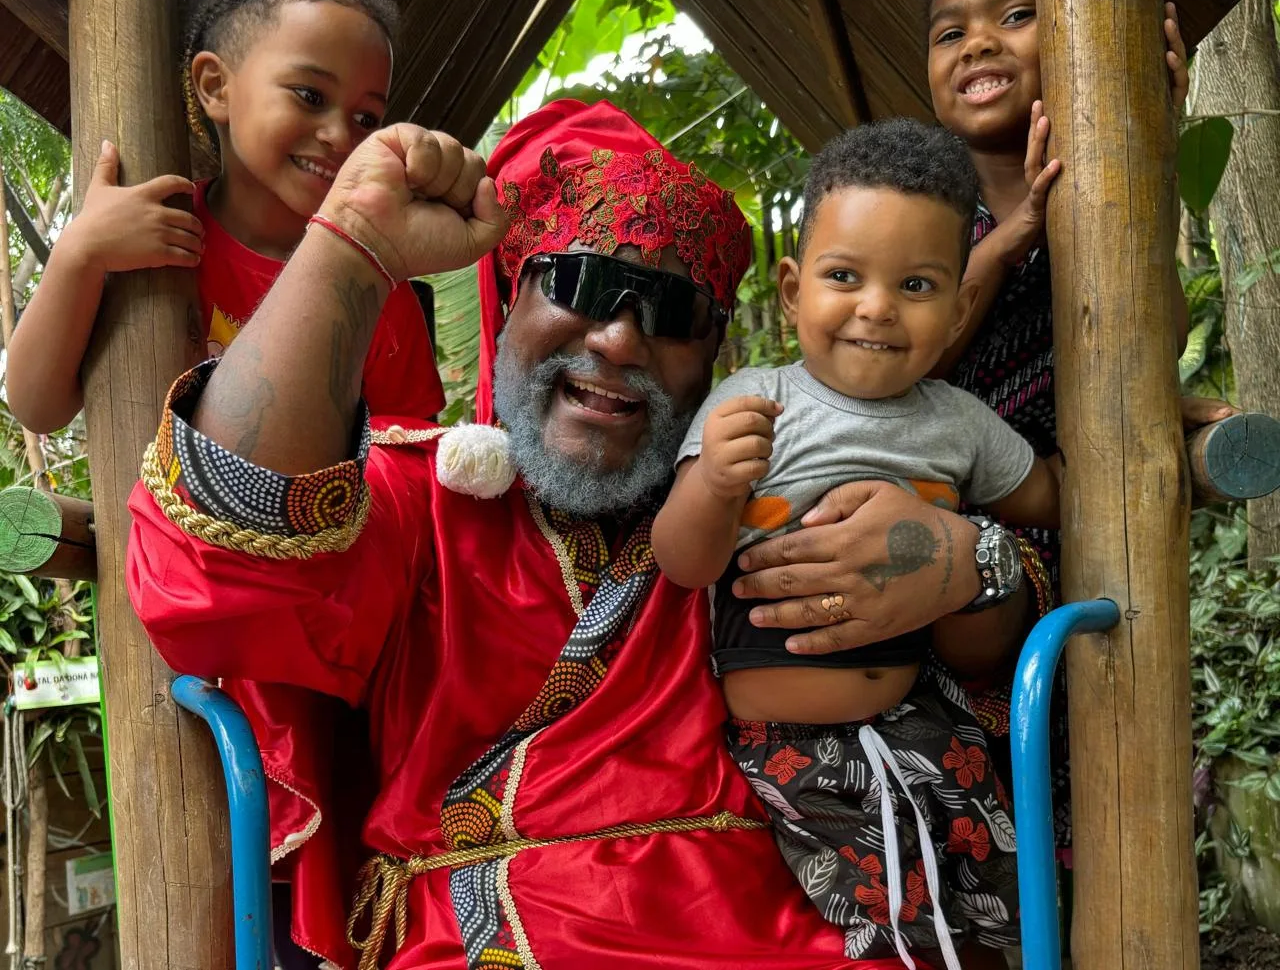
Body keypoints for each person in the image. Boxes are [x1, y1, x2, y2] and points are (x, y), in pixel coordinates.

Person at [127, 98, 1052, 970]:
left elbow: (987, 646)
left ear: (714, 358)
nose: (617, 339)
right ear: (508, 300)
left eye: (671, 310)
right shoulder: (423, 498)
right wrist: (354, 245)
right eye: (579, 282)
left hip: (795, 925)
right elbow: (214, 559)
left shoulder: (768, 489)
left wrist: (970, 561)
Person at [653, 118, 1056, 970]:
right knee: (882, 931)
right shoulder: (756, 400)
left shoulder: (958, 422)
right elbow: (683, 562)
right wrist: (718, 483)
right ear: (794, 290)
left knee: (1006, 899)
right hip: (788, 751)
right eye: (846, 277)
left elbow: (1049, 495)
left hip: (926, 720)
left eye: (915, 284)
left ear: (955, 312)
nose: (876, 307)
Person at [916, 0, 1232, 849]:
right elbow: (896, 357)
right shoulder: (918, 201)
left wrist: (1145, 145)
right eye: (948, 29)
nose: (976, 44)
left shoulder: (1104, 187)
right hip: (941, 544)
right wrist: (1003, 242)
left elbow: (1154, 336)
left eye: (1015, 15)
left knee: (1090, 832)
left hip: (1085, 539)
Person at [7, 0, 442, 436]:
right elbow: (39, 409)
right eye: (310, 95)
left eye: (367, 117)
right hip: (153, 512)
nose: (341, 135)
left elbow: (409, 459)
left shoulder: (375, 282)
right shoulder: (144, 234)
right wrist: (80, 252)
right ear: (215, 86)